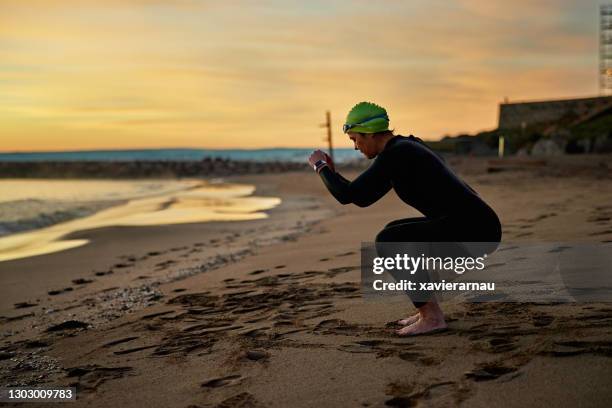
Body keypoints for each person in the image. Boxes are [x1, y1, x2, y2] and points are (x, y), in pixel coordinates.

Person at [308, 102, 502, 336]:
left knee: (388, 241)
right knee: (394, 230)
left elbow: (348, 196)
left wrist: (320, 166)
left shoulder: (397, 154)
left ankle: (432, 317)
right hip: (477, 226)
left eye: (355, 139)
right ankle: (427, 311)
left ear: (369, 134)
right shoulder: (405, 147)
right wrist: (332, 172)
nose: (356, 146)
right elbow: (363, 197)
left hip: (476, 232)